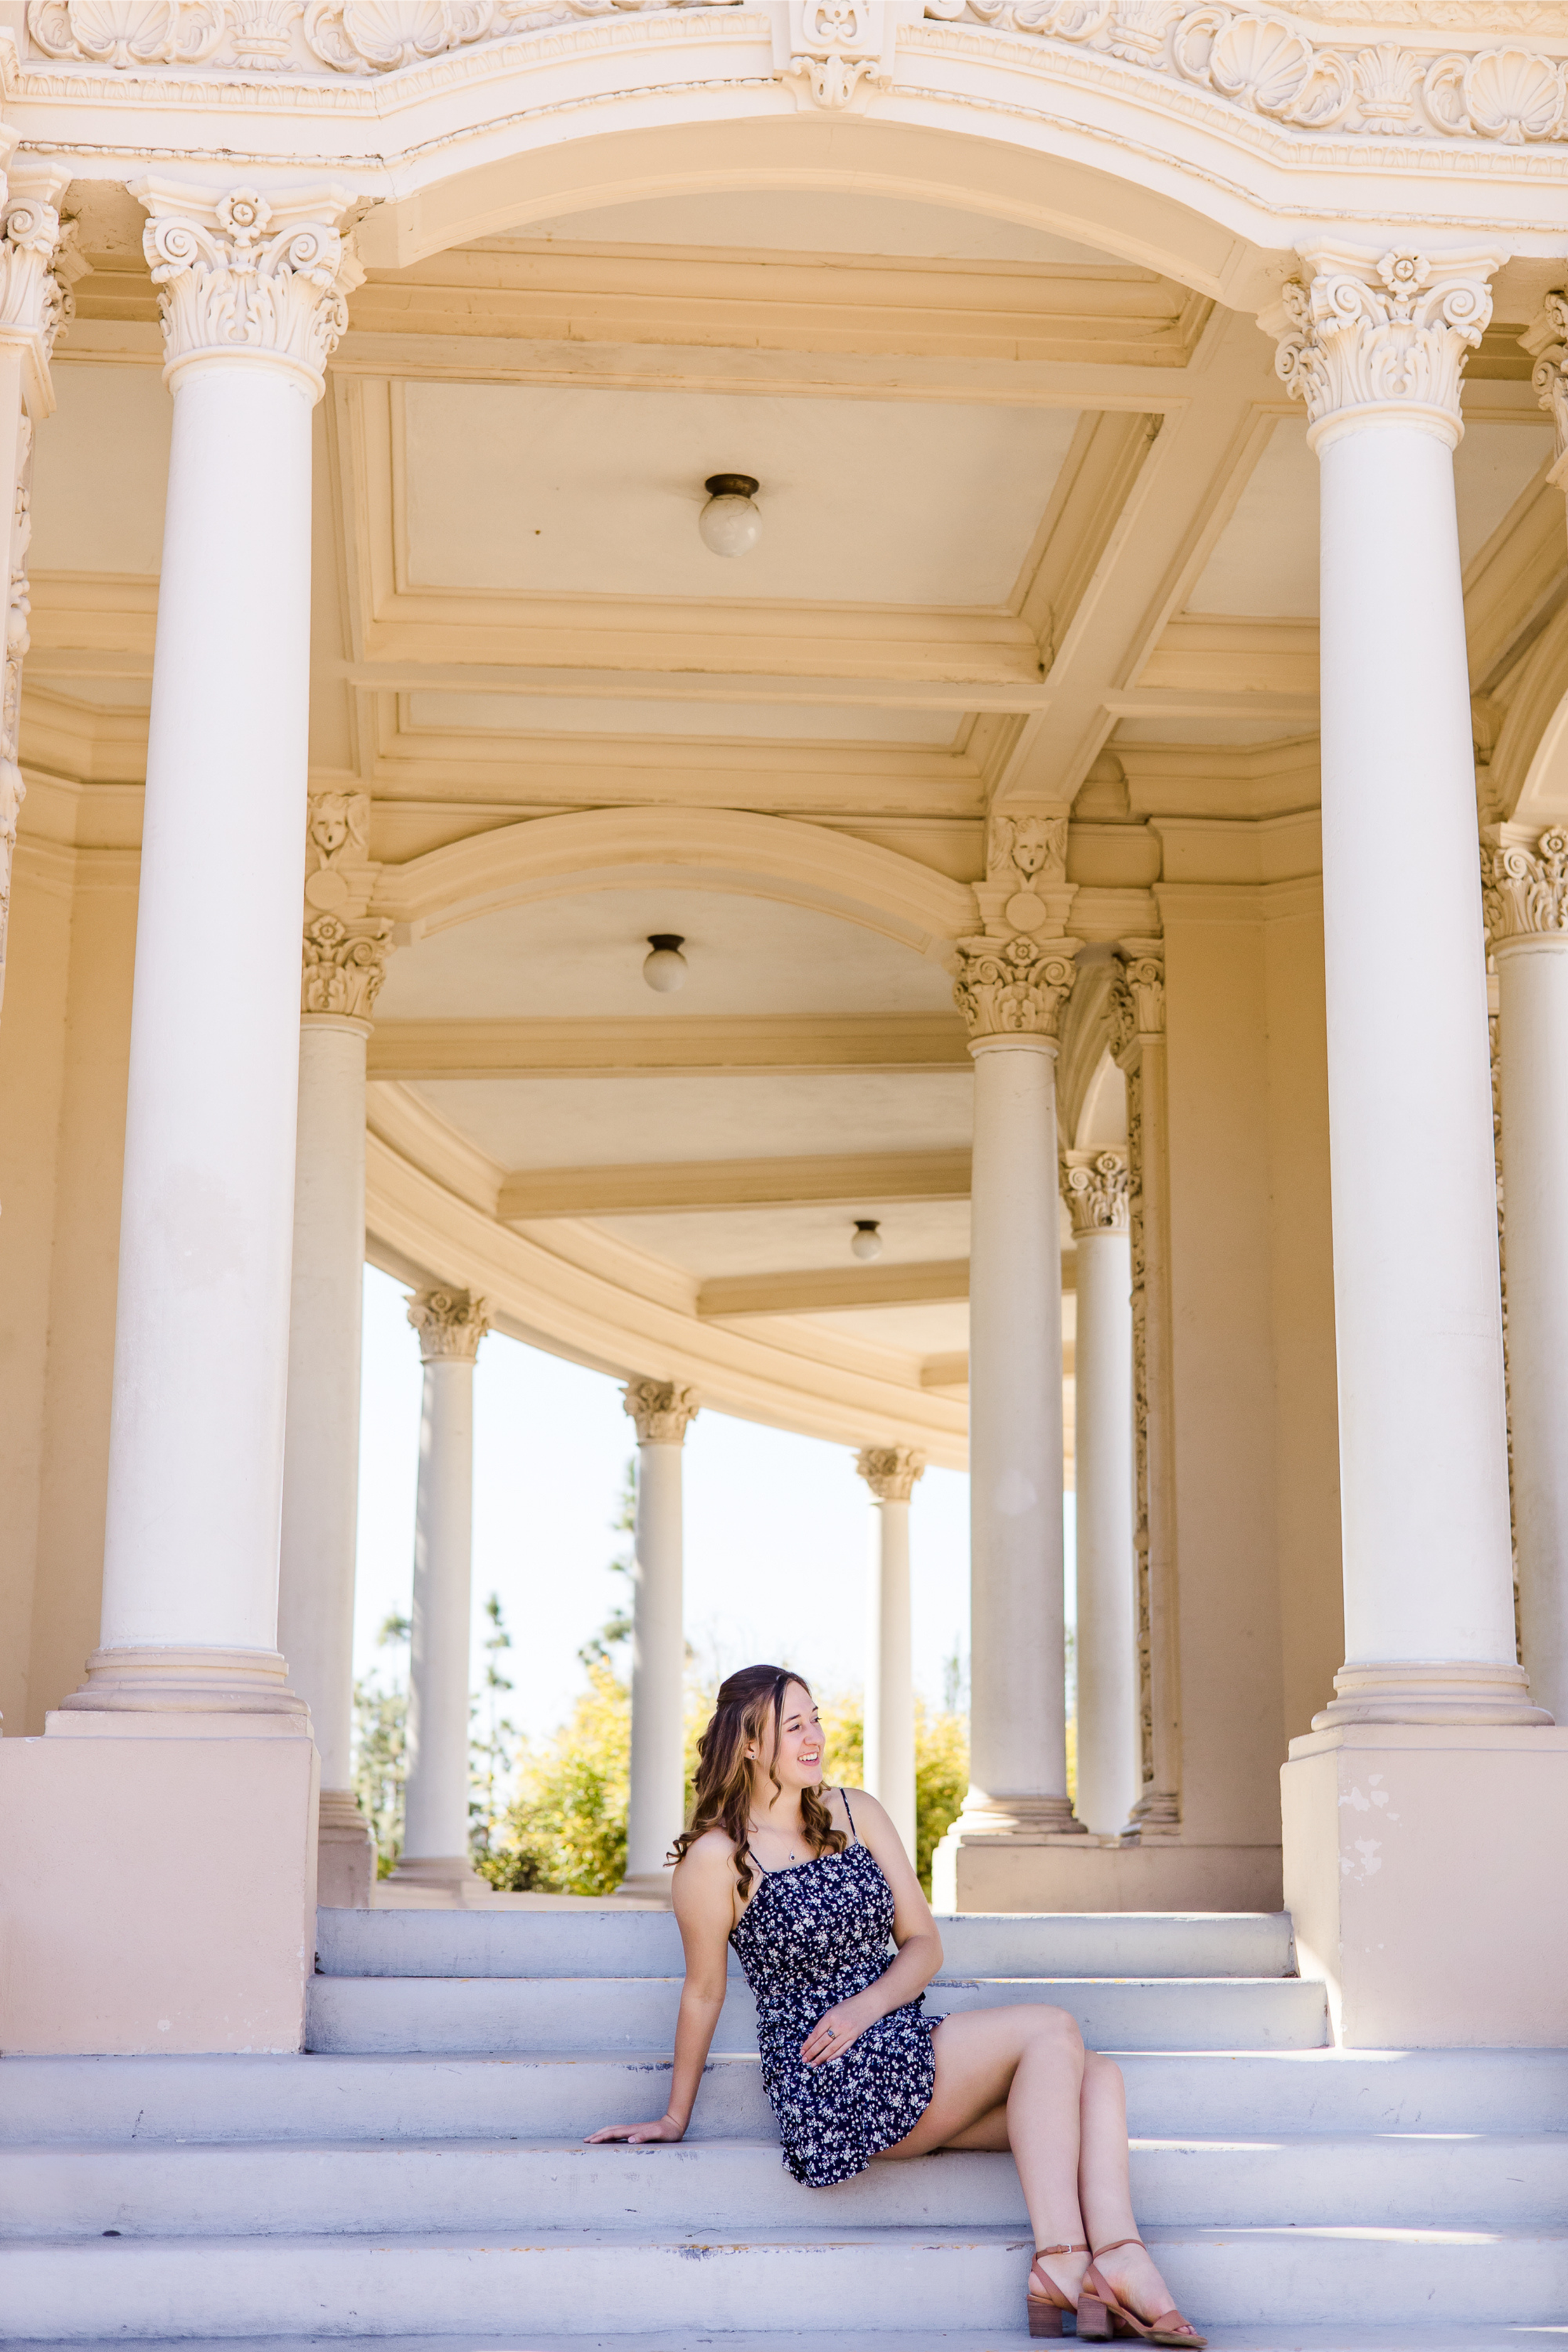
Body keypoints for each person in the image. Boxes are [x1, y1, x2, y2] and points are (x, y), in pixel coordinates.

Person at [588, 1663, 1205, 2346]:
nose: (814, 1737)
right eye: (793, 1726)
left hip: (894, 2032)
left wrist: (866, 2007)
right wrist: (675, 2116)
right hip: (830, 2076)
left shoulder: (856, 1812)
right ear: (750, 1744)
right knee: (1052, 2029)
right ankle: (1063, 2259)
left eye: (816, 1719)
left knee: (1098, 2077)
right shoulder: (716, 1859)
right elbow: (704, 1991)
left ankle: (1119, 2258)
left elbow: (924, 1944)